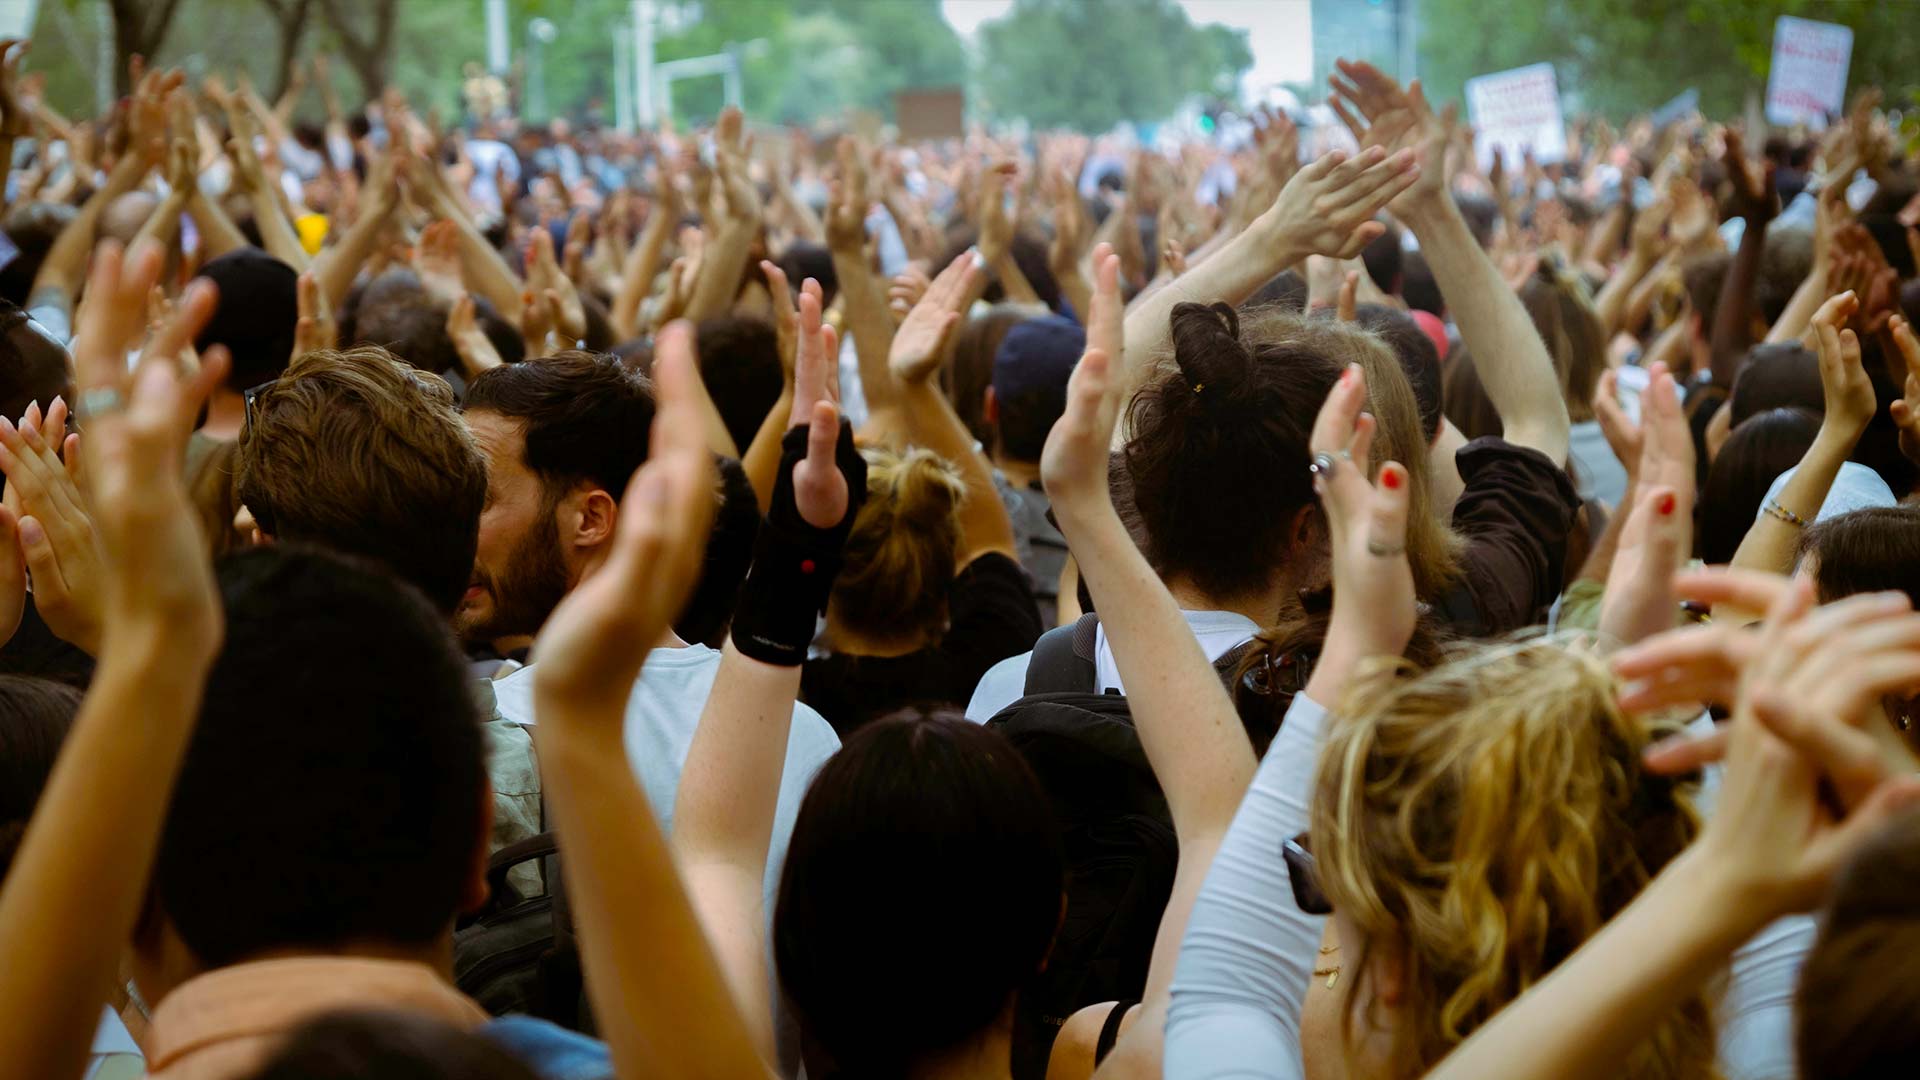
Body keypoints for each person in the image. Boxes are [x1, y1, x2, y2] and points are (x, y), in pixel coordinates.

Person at [457, 349, 839, 1070]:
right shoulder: (802, 731)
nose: (456, 532)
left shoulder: (482, 731)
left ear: (590, 518)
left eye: (479, 498)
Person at [800, 253, 1043, 734]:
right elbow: (990, 541)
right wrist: (917, 384)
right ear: (947, 570)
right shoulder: (990, 661)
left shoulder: (787, 700)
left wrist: (798, 407)